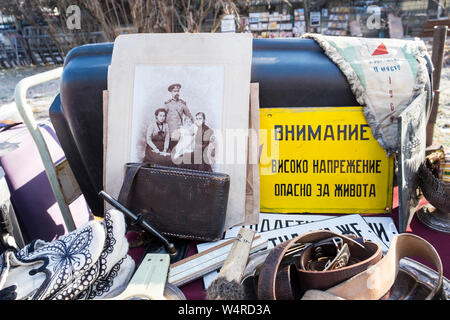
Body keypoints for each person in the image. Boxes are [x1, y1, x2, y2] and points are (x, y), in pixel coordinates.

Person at [164, 83, 194, 150]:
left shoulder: (182, 104)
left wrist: (193, 128)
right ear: (171, 92)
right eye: (174, 91)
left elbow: (190, 116)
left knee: (178, 151)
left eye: (177, 91)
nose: (176, 93)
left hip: (179, 131)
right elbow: (162, 117)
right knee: (170, 150)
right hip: (169, 131)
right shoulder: (167, 104)